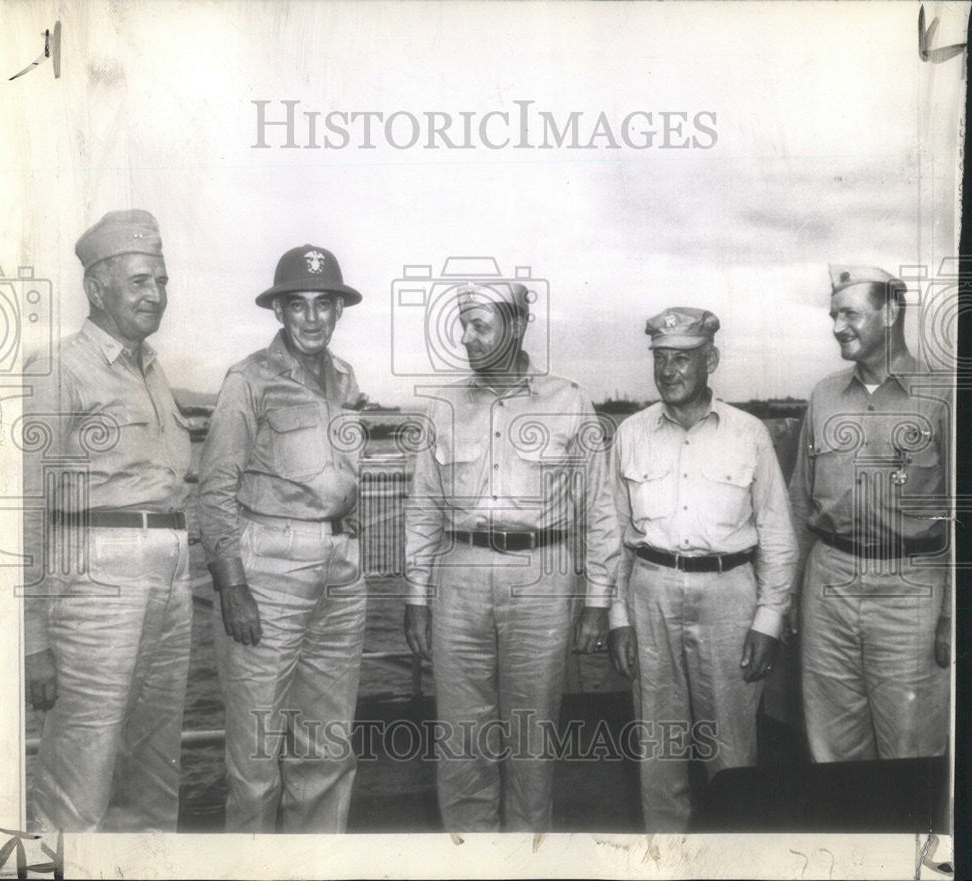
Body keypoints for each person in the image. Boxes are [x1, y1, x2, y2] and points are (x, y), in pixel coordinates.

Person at [404, 280, 619, 832]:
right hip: (460, 572)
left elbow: (599, 507)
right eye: (463, 324)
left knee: (532, 733)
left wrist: (597, 601)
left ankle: (527, 858)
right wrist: (416, 598)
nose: (466, 337)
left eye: (481, 325)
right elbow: (425, 507)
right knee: (461, 735)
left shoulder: (568, 400)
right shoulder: (444, 405)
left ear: (517, 327)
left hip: (541, 575)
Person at [23, 210, 193, 832]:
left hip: (171, 584)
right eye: (141, 281)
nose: (156, 295)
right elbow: (25, 507)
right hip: (95, 588)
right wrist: (33, 638)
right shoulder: (59, 370)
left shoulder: (154, 371)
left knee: (154, 767)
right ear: (97, 289)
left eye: (162, 281)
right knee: (79, 774)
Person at [607, 307, 798, 831]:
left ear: (710, 360)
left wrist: (769, 621)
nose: (668, 371)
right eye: (660, 358)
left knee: (732, 752)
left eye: (683, 359)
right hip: (650, 594)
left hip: (729, 596)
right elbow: (614, 537)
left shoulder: (750, 433)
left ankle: (734, 859)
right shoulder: (631, 433)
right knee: (657, 750)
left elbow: (779, 536)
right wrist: (617, 616)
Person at [198, 245, 367, 832]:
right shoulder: (249, 379)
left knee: (326, 750)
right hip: (267, 572)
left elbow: (340, 475)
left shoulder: (346, 379)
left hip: (341, 571)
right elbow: (215, 487)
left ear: (339, 311)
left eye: (325, 304)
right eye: (299, 305)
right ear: (279, 312)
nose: (313, 318)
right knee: (255, 759)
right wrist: (231, 585)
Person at [788, 265, 950, 762]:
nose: (838, 326)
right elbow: (801, 502)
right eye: (834, 314)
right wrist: (792, 594)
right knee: (831, 748)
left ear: (892, 311)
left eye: (851, 313)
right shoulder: (823, 395)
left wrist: (952, 617)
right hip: (829, 586)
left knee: (912, 749)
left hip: (911, 590)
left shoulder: (944, 395)